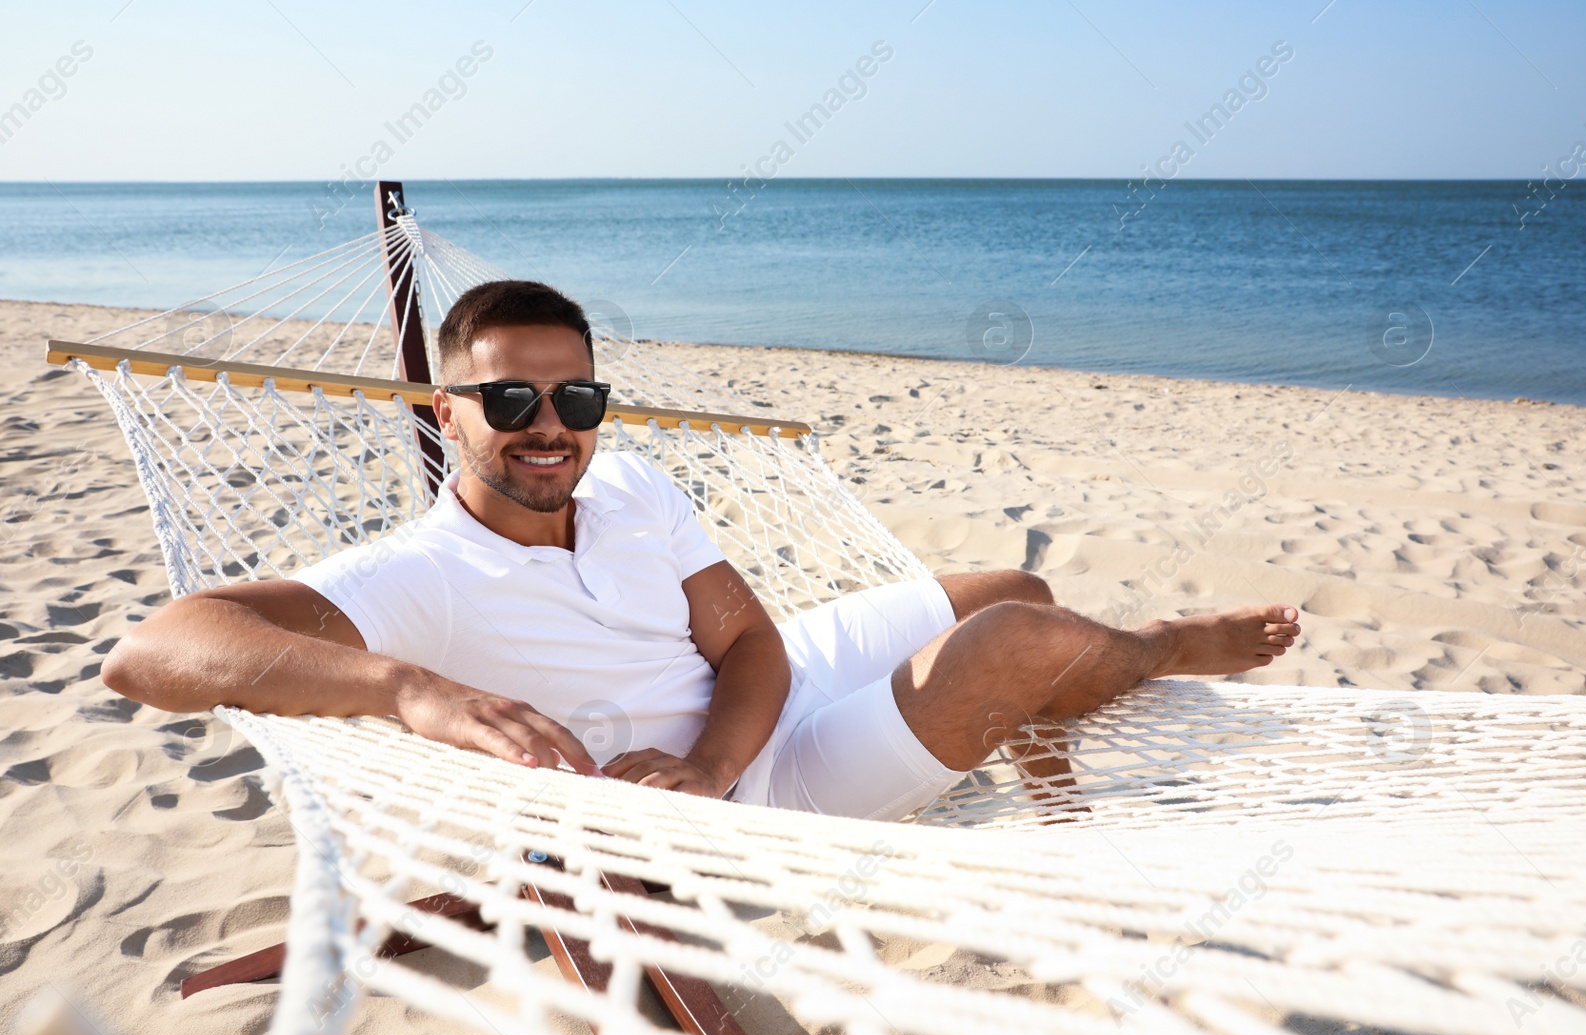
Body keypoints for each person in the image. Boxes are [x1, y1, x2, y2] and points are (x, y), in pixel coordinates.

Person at [102, 280, 1300, 822]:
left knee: (1010, 584)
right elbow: (150, 651)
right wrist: (408, 686)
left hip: (747, 728)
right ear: (442, 413)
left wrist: (724, 747)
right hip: (741, 797)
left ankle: (1054, 797)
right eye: (509, 402)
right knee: (1028, 635)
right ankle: (1162, 644)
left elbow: (748, 640)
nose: (550, 429)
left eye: (576, 397)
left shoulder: (626, 483)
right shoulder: (415, 575)